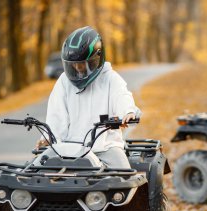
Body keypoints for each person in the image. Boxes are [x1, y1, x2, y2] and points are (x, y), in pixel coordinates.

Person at [36, 26, 140, 168]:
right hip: (66, 148)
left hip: (104, 147)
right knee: (34, 170)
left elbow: (122, 96)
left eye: (81, 63)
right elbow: (56, 114)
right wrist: (48, 137)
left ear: (96, 58)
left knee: (125, 177)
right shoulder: (64, 81)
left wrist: (128, 112)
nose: (78, 67)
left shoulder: (110, 79)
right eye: (73, 64)